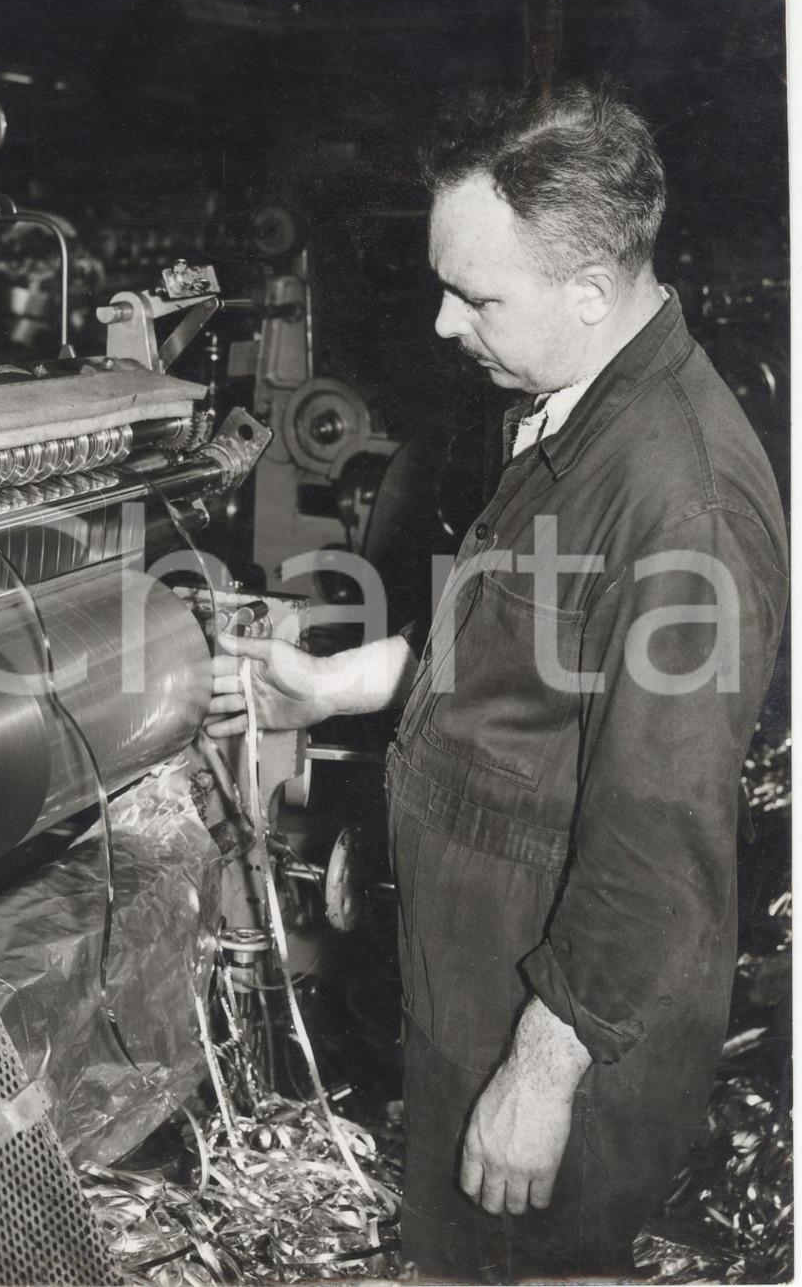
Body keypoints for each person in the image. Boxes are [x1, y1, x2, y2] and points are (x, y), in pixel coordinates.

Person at [206, 82, 788, 1281]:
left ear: (587, 292)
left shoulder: (683, 498)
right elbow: (514, 643)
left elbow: (658, 835)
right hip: (481, 975)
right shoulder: (564, 411)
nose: (437, 323)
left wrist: (540, 1068)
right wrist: (333, 685)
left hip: (560, 1021)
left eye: (473, 295)